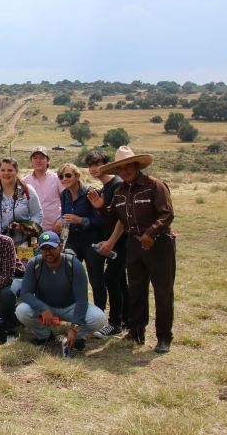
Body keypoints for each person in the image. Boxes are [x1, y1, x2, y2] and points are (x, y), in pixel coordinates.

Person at [88, 146, 175, 353]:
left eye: (128, 166)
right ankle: (136, 331)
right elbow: (114, 220)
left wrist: (150, 234)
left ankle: (164, 337)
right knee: (136, 290)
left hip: (158, 244)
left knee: (163, 292)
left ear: (136, 165)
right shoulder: (119, 191)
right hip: (133, 245)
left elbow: (167, 214)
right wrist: (101, 207)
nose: (125, 171)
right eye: (121, 168)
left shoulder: (154, 185)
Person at [16, 232, 107, 349]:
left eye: (52, 248)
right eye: (44, 248)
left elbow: (81, 300)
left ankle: (76, 337)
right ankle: (44, 335)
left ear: (60, 247)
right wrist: (43, 308)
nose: (48, 252)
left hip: (71, 307)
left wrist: (74, 328)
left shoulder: (73, 264)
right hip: (45, 307)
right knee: (21, 311)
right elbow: (25, 293)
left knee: (99, 318)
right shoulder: (34, 263)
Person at [84, 149, 128, 337]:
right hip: (113, 241)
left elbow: (122, 219)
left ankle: (115, 323)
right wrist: (100, 208)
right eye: (90, 165)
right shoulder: (104, 189)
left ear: (107, 164)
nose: (93, 169)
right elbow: (109, 218)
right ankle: (128, 318)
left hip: (120, 242)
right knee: (120, 282)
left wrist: (110, 242)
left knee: (111, 279)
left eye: (97, 164)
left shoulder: (117, 185)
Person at [57, 162, 105, 321]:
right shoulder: (64, 194)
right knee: (69, 277)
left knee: (96, 279)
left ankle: (99, 317)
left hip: (91, 241)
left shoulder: (90, 193)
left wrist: (80, 220)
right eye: (61, 176)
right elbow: (65, 217)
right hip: (72, 241)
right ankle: (73, 314)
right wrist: (61, 230)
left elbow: (100, 221)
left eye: (68, 175)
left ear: (77, 176)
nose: (64, 179)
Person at [0, 157, 42, 246]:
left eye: (10, 170)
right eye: (3, 170)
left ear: (16, 171)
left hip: (23, 245)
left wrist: (26, 227)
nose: (6, 173)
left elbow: (37, 214)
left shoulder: (27, 190)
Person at [24, 146, 62, 234]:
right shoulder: (24, 182)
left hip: (54, 230)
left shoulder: (57, 179)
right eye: (35, 158)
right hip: (32, 231)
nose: (38, 160)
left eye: (41, 158)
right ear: (31, 161)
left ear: (48, 160)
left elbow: (67, 201)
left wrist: (62, 220)